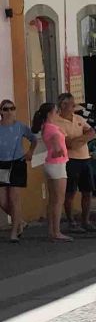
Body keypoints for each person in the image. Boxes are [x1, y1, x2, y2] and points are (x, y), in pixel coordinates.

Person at [32, 101, 71, 241]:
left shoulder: (46, 127)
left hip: (50, 164)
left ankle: (51, 230)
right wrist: (61, 151)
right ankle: (56, 231)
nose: (57, 113)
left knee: (53, 200)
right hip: (57, 165)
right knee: (58, 200)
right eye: (55, 111)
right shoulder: (52, 129)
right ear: (50, 114)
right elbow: (56, 149)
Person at [59, 94, 95, 233]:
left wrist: (80, 139)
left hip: (85, 158)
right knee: (70, 192)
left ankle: (86, 221)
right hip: (70, 160)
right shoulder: (58, 122)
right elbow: (69, 144)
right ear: (63, 105)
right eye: (72, 104)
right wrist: (84, 138)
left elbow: (92, 132)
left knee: (87, 191)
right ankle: (71, 221)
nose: (74, 106)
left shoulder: (78, 118)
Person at [0, 100, 36, 242]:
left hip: (17, 163)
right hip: (2, 164)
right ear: (1, 112)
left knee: (14, 199)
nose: (9, 112)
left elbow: (33, 139)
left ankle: (14, 231)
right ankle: (20, 221)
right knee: (2, 200)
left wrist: (30, 152)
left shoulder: (20, 126)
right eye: (6, 109)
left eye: (12, 108)